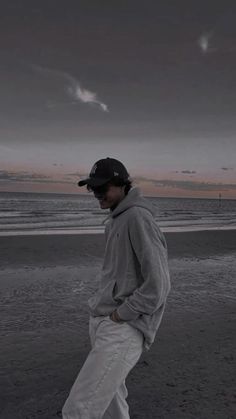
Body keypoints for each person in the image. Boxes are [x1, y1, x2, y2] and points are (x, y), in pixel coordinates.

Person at [62, 157, 171, 419]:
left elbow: (159, 283)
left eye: (102, 188)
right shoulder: (116, 220)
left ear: (122, 185)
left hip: (123, 327)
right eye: (93, 189)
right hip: (105, 320)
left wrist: (121, 314)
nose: (97, 194)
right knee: (113, 405)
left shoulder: (137, 217)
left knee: (79, 409)